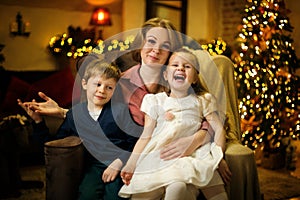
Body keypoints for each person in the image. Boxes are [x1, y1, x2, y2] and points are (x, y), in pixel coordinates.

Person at [19, 17, 232, 196]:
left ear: (171, 53)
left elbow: (206, 113)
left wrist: (198, 138)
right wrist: (63, 112)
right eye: (151, 41)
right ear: (141, 44)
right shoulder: (119, 83)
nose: (156, 50)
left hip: (172, 153)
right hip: (135, 156)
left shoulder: (178, 82)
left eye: (165, 46)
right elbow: (98, 114)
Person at [18, 59, 142, 200]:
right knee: (87, 194)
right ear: (84, 84)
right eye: (98, 84)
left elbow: (135, 141)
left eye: (109, 87)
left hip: (121, 163)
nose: (102, 90)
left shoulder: (120, 111)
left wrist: (119, 163)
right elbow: (55, 147)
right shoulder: (74, 115)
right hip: (93, 166)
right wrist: (38, 122)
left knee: (115, 196)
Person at [118, 47, 228, 200]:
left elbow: (219, 129)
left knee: (208, 187)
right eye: (175, 65)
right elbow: (146, 135)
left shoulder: (203, 100)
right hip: (160, 154)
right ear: (165, 75)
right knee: (156, 190)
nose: (181, 68)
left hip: (191, 155)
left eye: (187, 66)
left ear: (195, 78)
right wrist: (131, 163)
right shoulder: (155, 100)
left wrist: (218, 156)